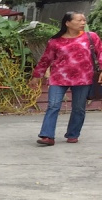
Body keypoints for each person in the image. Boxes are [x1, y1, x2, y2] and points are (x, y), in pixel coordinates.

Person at [30, 11, 101, 146]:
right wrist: (36, 76)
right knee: (53, 105)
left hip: (83, 78)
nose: (83, 23)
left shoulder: (91, 37)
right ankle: (47, 136)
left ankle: (73, 134)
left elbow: (101, 52)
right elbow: (46, 59)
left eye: (84, 20)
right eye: (79, 20)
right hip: (58, 78)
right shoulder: (55, 41)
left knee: (79, 108)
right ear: (68, 23)